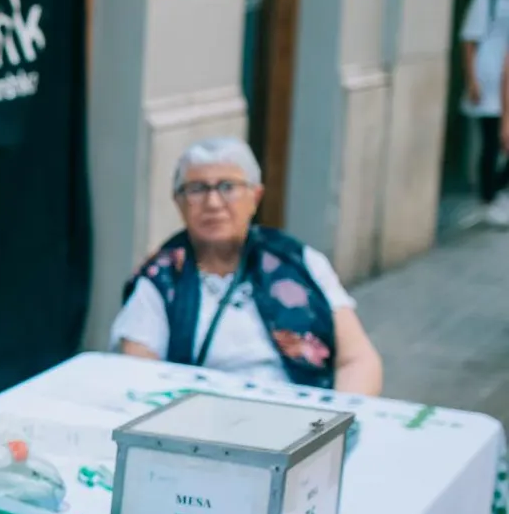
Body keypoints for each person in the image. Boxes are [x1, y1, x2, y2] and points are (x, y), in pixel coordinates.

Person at [111, 137, 383, 395]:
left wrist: (333, 424)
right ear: (179, 202)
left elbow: (358, 360)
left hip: (305, 421)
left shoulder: (298, 260)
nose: (213, 203)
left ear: (255, 196)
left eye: (227, 187)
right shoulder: (162, 277)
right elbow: (138, 373)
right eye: (197, 189)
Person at [460, 0, 509, 228]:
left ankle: (496, 193)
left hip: (507, 80)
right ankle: (488, 200)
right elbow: (468, 39)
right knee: (491, 142)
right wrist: (472, 81)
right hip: (488, 79)